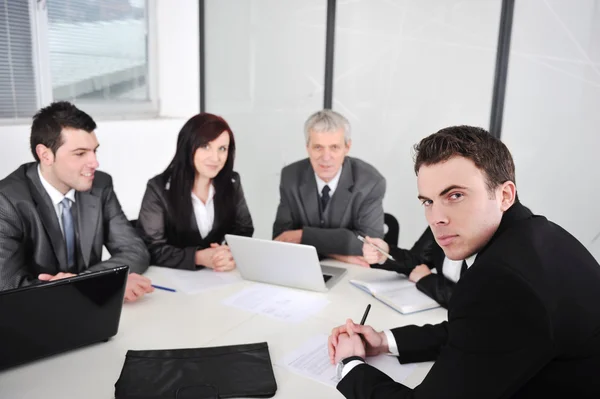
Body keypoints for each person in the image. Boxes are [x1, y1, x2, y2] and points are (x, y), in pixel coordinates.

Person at [328, 126, 600, 398]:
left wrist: (349, 365)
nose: (436, 218)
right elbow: (481, 331)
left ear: (504, 195)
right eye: (428, 201)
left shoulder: (502, 278)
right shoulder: (535, 233)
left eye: (455, 196)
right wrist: (385, 341)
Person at [0, 101, 152, 302]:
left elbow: (135, 251)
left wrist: (84, 283)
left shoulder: (100, 185)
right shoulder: (7, 200)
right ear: (45, 155)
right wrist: (101, 283)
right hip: (37, 318)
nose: (94, 163)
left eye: (94, 151)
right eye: (80, 153)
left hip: (91, 311)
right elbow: (7, 285)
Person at [137, 113, 253, 271]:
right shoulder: (158, 188)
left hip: (218, 275)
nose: (215, 157)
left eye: (222, 149)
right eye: (205, 146)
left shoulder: (232, 182)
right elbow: (152, 248)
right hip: (172, 278)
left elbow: (244, 229)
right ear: (188, 147)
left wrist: (227, 252)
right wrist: (198, 257)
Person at [272, 110, 385, 266]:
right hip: (304, 267)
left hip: (351, 273)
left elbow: (370, 245)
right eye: (318, 147)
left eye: (334, 147)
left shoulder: (370, 182)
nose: (326, 157)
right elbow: (281, 238)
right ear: (307, 147)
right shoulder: (290, 176)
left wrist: (303, 236)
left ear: (347, 147)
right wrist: (339, 254)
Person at [363, 227, 464, 308]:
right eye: (428, 202)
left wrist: (427, 280)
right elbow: (417, 262)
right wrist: (386, 253)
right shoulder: (440, 221)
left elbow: (472, 300)